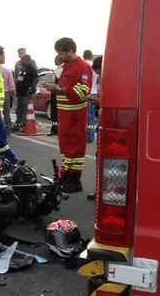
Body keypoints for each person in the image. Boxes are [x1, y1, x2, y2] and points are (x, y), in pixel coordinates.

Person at [45, 38, 93, 193]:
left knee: (75, 148)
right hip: (65, 115)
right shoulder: (67, 66)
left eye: (61, 53)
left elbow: (82, 92)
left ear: (70, 50)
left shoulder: (83, 67)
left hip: (75, 115)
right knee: (66, 147)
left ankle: (74, 179)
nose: (60, 56)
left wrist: (58, 89)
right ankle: (66, 175)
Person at [87, 55, 103, 201]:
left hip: (107, 124)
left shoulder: (112, 78)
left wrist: (96, 100)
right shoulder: (105, 79)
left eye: (99, 71)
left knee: (103, 159)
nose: (98, 74)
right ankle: (99, 190)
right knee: (100, 158)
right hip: (103, 123)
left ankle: (101, 191)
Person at [12, 54, 39, 132]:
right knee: (19, 110)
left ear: (28, 60)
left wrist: (31, 88)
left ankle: (24, 125)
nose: (21, 61)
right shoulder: (23, 69)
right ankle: (18, 124)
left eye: (23, 60)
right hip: (20, 93)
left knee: (25, 110)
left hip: (26, 93)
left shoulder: (32, 69)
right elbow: (20, 79)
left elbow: (36, 79)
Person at [83, 50, 99, 143]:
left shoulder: (83, 65)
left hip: (86, 93)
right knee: (92, 116)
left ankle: (88, 135)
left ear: (83, 56)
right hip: (94, 92)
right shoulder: (94, 65)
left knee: (86, 115)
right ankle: (91, 133)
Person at [48, 55, 64, 136]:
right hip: (54, 92)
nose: (54, 61)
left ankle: (57, 129)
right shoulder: (57, 69)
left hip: (58, 92)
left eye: (55, 60)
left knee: (57, 112)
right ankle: (54, 129)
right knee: (53, 112)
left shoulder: (62, 69)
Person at [0, 64, 16, 133]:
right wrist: (13, 92)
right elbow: (11, 84)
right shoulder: (7, 71)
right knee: (6, 112)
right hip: (5, 93)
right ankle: (8, 129)